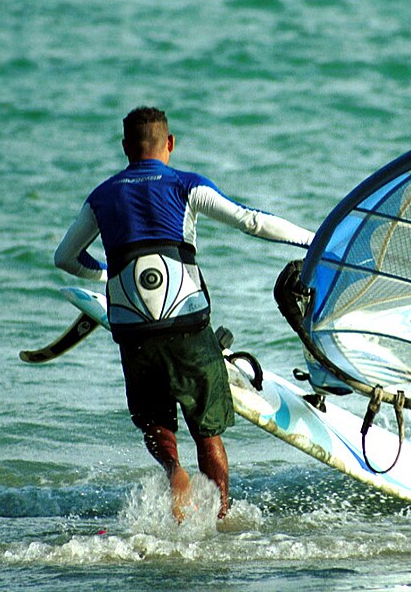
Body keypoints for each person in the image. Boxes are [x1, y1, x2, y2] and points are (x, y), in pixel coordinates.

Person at [54, 107, 313, 520]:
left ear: (125, 148)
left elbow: (65, 257)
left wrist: (106, 272)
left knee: (155, 419)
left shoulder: (102, 196)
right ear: (169, 143)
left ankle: (175, 473)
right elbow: (251, 222)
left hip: (132, 327)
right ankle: (221, 517)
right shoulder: (186, 185)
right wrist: (314, 241)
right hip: (186, 323)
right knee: (207, 431)